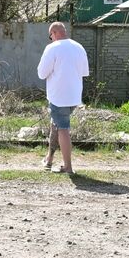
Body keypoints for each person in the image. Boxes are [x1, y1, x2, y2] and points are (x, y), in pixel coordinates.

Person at [36, 21, 89, 174]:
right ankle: (49, 158)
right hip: (74, 97)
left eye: (50, 36)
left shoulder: (52, 48)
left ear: (54, 33)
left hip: (59, 96)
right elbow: (84, 72)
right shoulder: (79, 47)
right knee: (56, 125)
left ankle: (68, 167)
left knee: (63, 129)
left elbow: (41, 73)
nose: (50, 38)